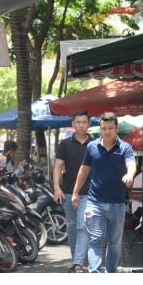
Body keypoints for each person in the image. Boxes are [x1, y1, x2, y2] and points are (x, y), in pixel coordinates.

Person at [72, 112, 136, 273]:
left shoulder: (125, 148)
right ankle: (95, 274)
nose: (107, 131)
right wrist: (75, 192)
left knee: (114, 243)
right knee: (95, 240)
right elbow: (84, 170)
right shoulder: (92, 147)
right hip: (95, 203)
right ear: (100, 128)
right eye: (103, 128)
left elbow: (131, 164)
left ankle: (111, 273)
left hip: (117, 204)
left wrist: (129, 175)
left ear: (116, 128)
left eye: (110, 128)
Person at [52, 110, 93, 273]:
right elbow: (58, 167)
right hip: (68, 192)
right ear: (73, 124)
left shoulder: (95, 144)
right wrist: (56, 187)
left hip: (89, 192)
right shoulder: (65, 144)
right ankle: (77, 261)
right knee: (72, 227)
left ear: (88, 124)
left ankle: (77, 264)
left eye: (84, 122)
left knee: (83, 226)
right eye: (79, 122)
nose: (82, 125)